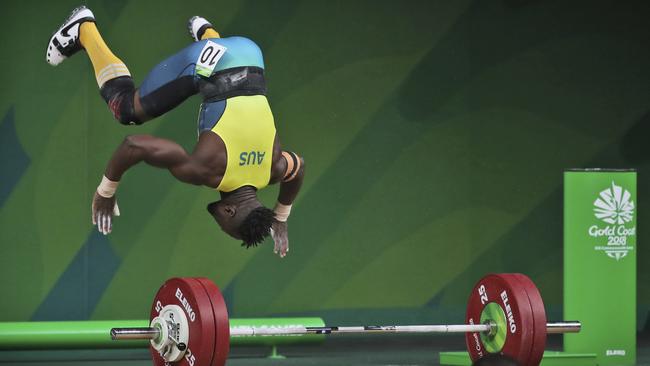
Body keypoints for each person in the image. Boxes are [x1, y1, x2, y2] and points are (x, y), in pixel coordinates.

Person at [46, 6, 304, 257]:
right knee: (127, 110)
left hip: (249, 54)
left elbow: (298, 167)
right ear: (229, 212)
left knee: (221, 87)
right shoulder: (205, 169)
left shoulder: (272, 169)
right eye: (227, 230)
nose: (221, 228)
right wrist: (105, 192)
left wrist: (280, 217)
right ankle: (84, 30)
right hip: (208, 66)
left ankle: (207, 33)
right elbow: (134, 145)